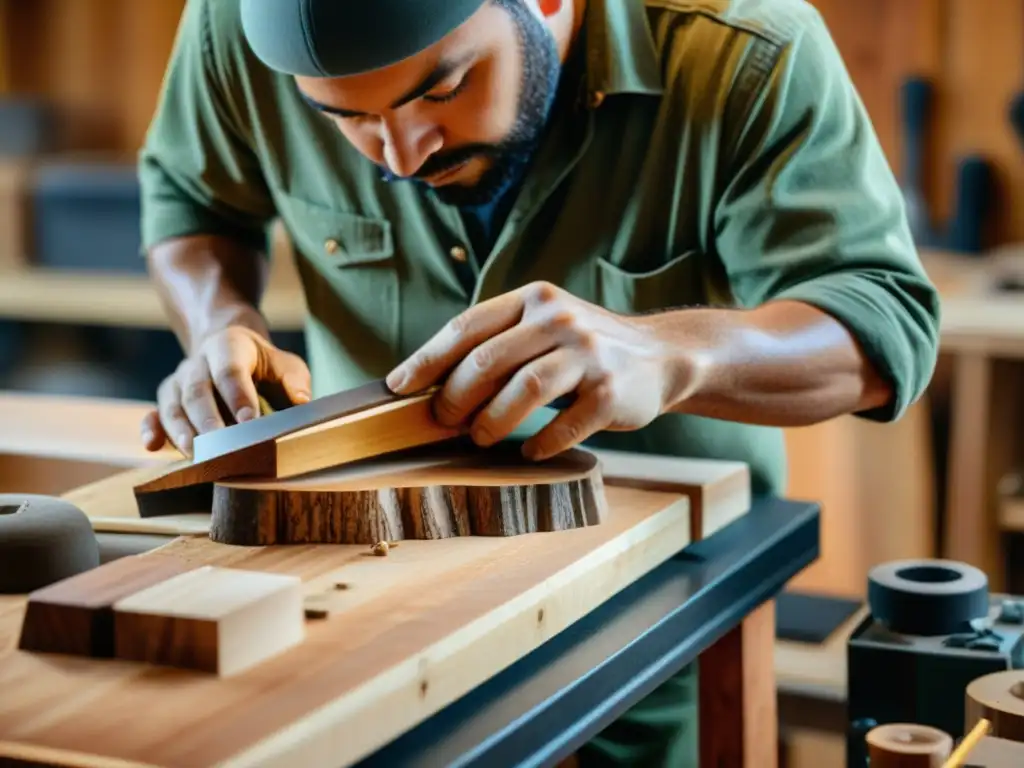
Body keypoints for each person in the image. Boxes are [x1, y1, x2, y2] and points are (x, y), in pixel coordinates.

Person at [137, 0, 941, 763]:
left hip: (663, 606)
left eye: (444, 88)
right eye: (344, 118)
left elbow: (882, 324)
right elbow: (191, 198)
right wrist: (219, 324)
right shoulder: (239, 25)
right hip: (358, 594)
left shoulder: (741, 49)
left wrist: (667, 354)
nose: (402, 153)